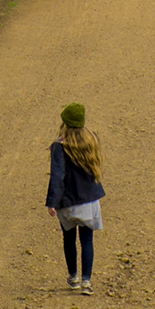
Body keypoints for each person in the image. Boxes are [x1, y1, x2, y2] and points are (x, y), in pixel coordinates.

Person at [46, 103, 105, 295]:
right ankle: (87, 281)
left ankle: (73, 277)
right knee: (87, 240)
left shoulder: (59, 146)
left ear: (65, 122)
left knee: (69, 239)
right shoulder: (92, 140)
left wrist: (52, 202)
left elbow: (57, 176)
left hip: (68, 202)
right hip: (89, 200)